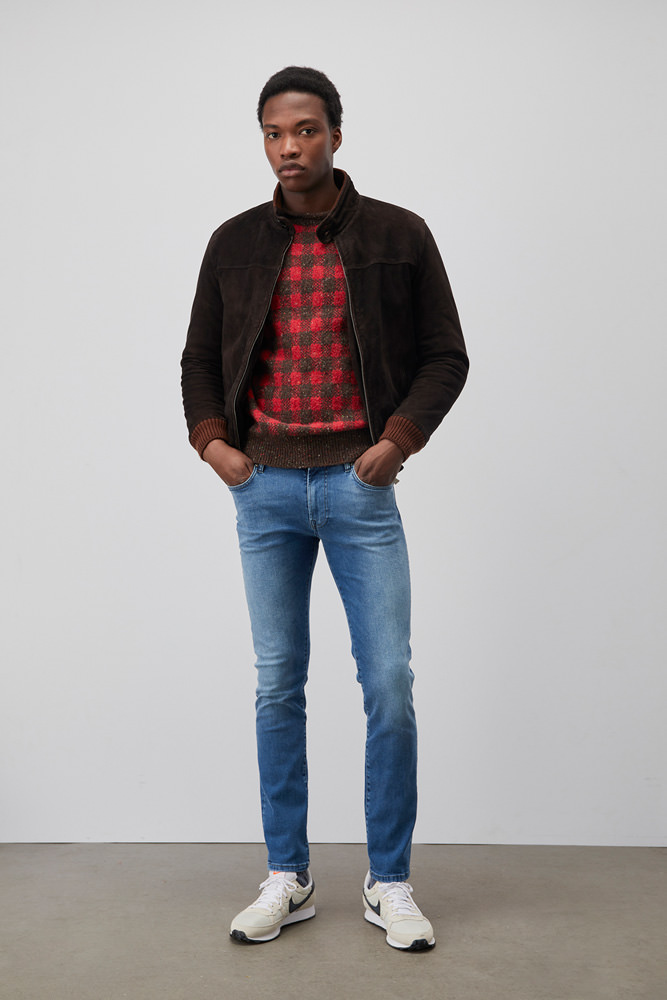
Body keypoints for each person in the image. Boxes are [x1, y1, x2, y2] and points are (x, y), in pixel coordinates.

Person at [181, 66, 468, 951]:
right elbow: (198, 359)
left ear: (335, 136)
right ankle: (288, 875)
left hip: (357, 485)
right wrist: (216, 447)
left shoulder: (397, 234)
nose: (289, 147)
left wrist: (396, 442)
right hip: (262, 490)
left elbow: (445, 355)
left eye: (305, 130)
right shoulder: (233, 242)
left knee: (388, 683)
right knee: (278, 683)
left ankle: (389, 881)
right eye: (274, 133)